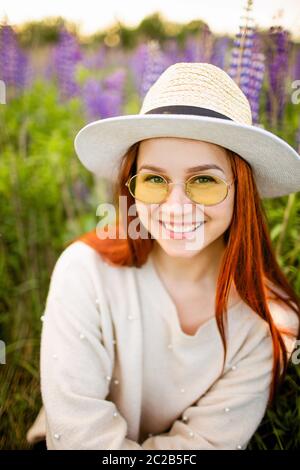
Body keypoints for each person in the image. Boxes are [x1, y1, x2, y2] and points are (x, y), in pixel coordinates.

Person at [26, 62, 300, 450]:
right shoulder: (85, 271)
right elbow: (76, 435)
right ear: (132, 185)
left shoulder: (268, 320)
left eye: (204, 180)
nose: (176, 206)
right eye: (155, 179)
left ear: (244, 190)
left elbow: (207, 444)